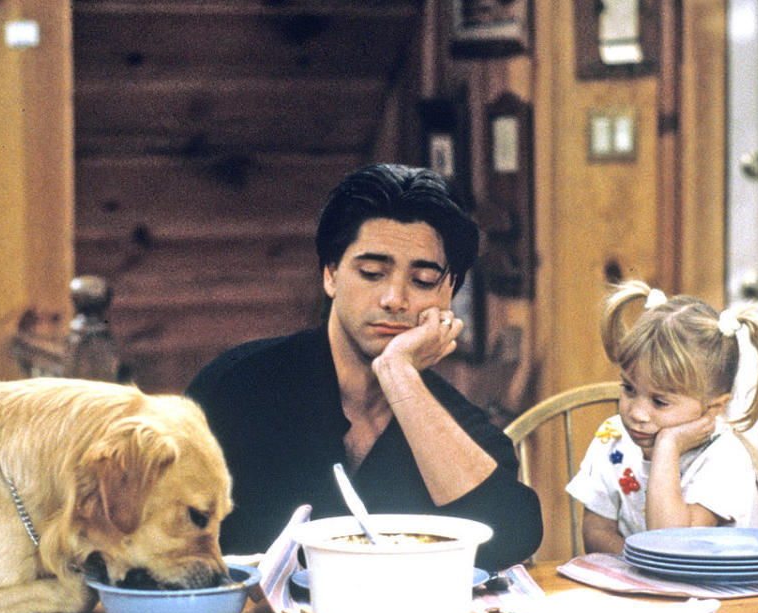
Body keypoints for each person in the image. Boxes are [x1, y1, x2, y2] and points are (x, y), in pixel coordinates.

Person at [186, 163, 543, 571]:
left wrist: (398, 373)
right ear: (331, 274)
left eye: (424, 280)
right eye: (372, 273)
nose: (395, 298)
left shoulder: (462, 426)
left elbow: (512, 536)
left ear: (449, 293)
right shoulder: (235, 387)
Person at [566, 280, 758, 554]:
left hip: (712, 593)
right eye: (629, 389)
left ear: (714, 407)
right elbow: (596, 531)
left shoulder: (725, 457)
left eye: (660, 401)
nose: (637, 413)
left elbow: (669, 543)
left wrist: (668, 445)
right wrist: (639, 573)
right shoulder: (613, 438)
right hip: (637, 588)